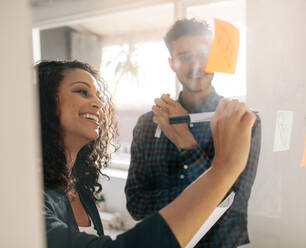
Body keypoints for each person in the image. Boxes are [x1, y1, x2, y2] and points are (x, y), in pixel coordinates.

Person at [38, 60, 256, 248]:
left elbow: (232, 213)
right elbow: (136, 206)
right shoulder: (26, 198)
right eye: (82, 91)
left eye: (97, 96)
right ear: (44, 101)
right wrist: (223, 168)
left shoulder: (79, 186)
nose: (98, 103)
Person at [125, 18, 262, 247]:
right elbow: (136, 205)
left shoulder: (241, 120)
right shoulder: (148, 124)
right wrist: (206, 195)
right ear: (172, 64)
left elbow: (231, 209)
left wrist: (185, 141)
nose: (196, 64)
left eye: (203, 54)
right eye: (184, 56)